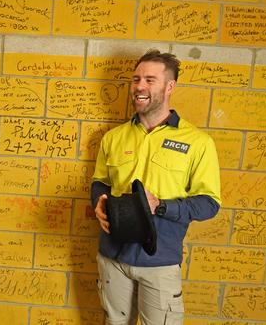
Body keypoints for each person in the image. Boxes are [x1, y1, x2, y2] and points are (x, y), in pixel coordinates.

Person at [91, 49, 221, 325]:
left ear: (170, 86)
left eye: (150, 80)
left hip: (160, 262)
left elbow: (210, 203)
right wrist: (98, 203)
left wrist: (160, 206)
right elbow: (100, 181)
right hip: (113, 257)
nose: (140, 86)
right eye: (136, 79)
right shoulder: (113, 137)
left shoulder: (198, 142)